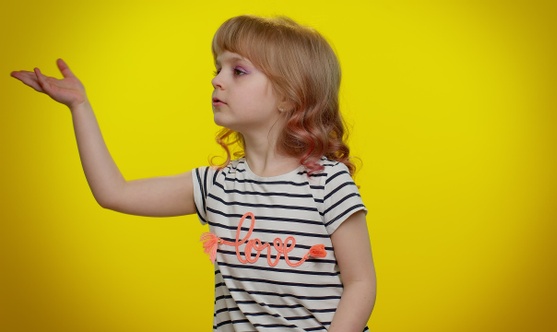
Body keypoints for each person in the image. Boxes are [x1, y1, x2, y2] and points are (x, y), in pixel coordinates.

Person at [11, 15, 376, 332]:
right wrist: (80, 106)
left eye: (238, 71)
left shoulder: (328, 184)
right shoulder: (217, 186)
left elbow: (360, 283)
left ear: (288, 97)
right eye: (217, 69)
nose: (217, 80)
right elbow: (113, 192)